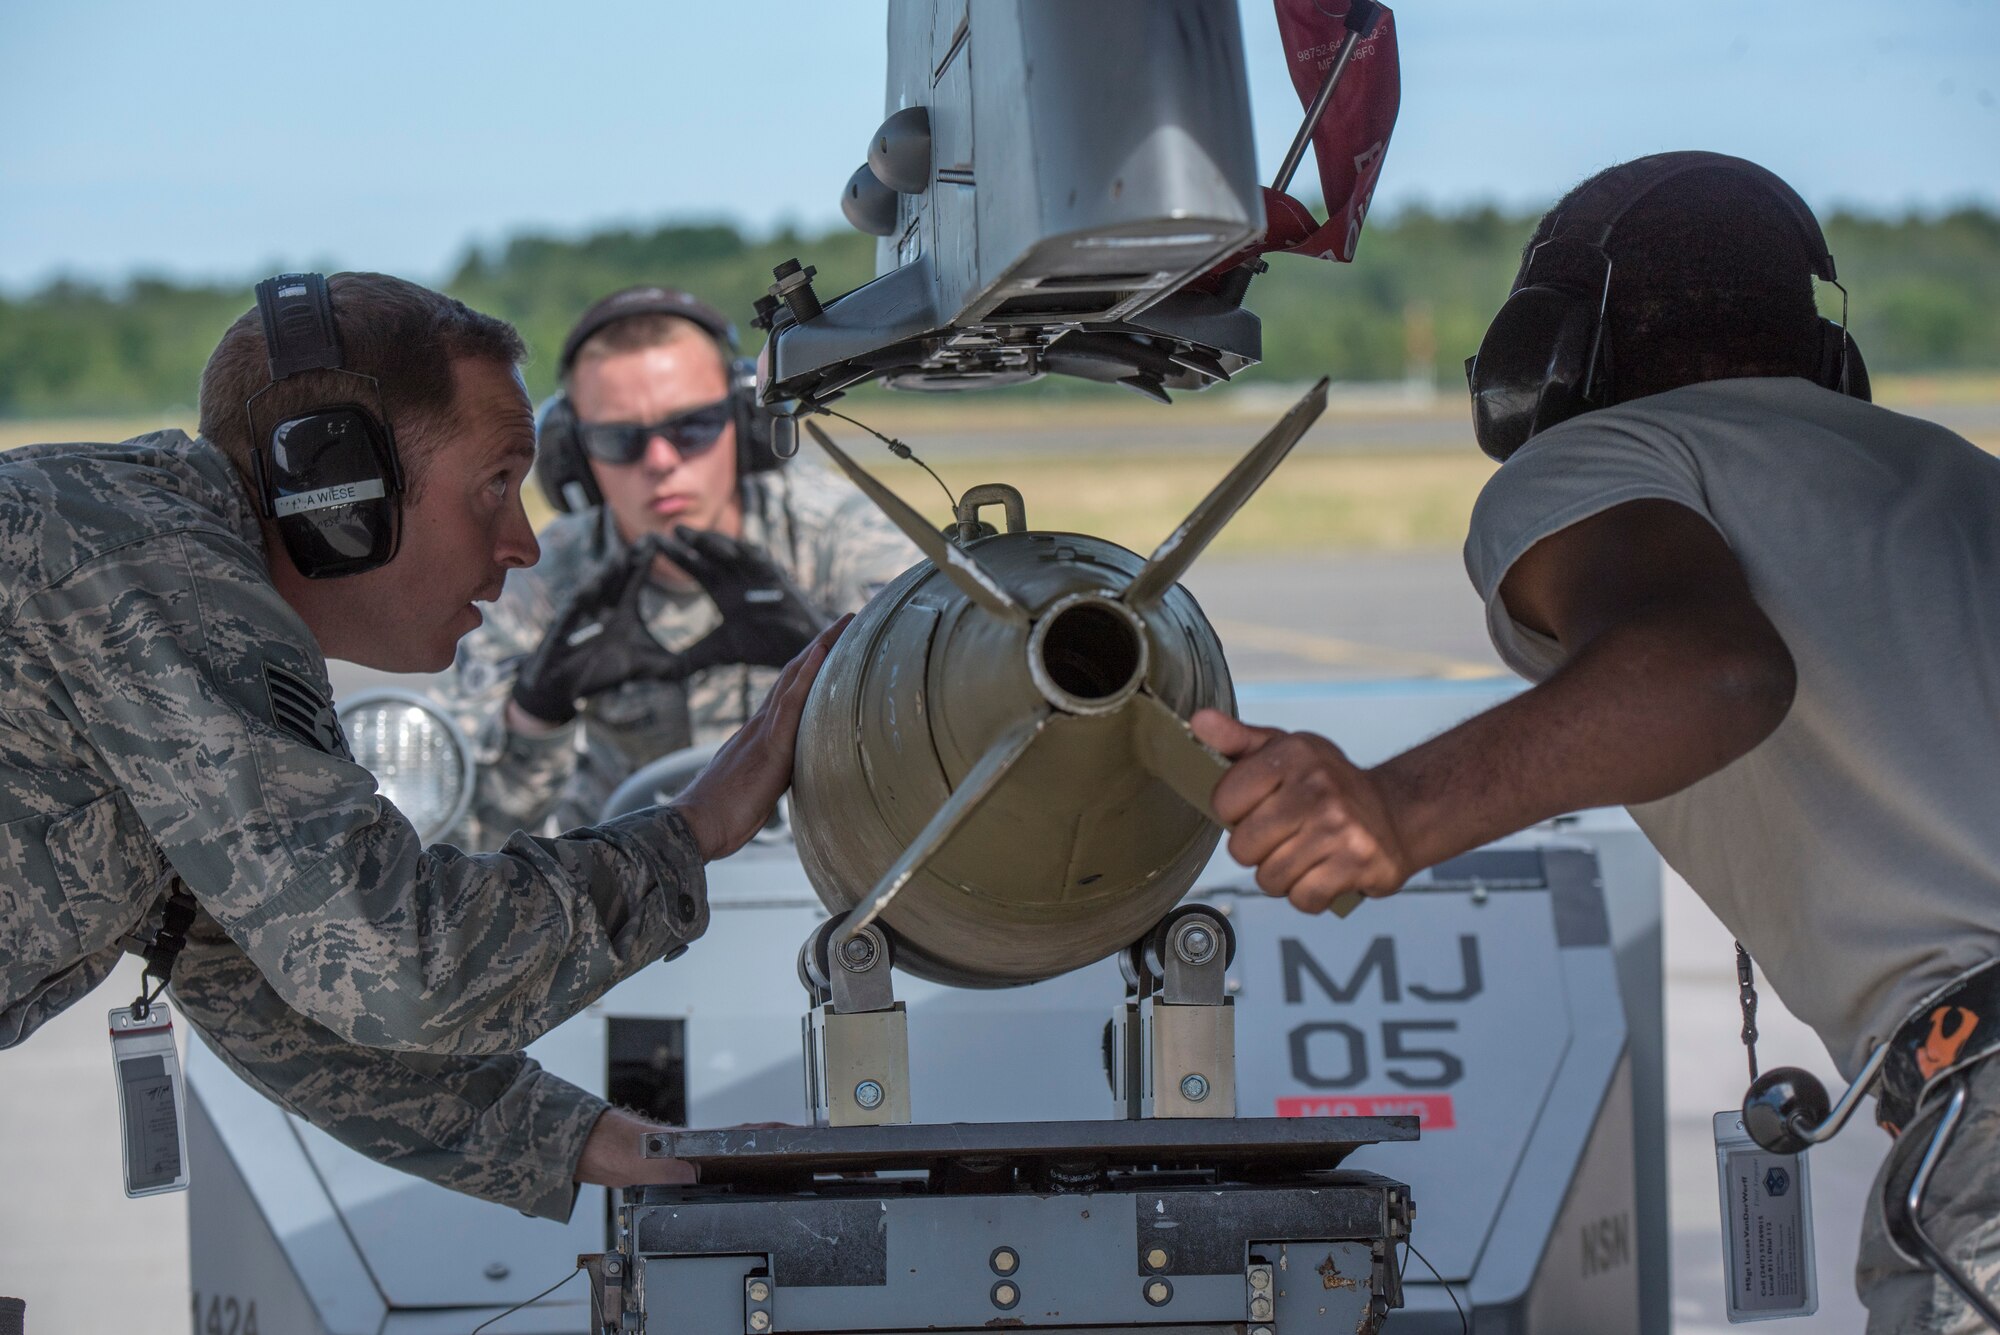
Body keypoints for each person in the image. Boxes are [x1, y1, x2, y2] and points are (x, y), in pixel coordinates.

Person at [1191, 152, 2000, 1330]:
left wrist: (1395, 810)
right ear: (1827, 352)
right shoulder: (1955, 482)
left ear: (1547, 356)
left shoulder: (1596, 461)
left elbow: (1712, 669)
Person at [0, 271, 841, 1220]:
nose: (523, 543)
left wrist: (634, 1150)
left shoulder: (161, 592)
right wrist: (693, 827)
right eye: (494, 485)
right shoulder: (148, 574)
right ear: (335, 485)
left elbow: (271, 984)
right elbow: (395, 961)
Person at [432, 286, 918, 845]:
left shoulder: (842, 538)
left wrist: (840, 676)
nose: (661, 462)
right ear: (577, 456)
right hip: (616, 892)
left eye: (692, 426)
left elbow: (941, 761)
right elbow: (461, 844)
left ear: (746, 419)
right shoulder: (539, 583)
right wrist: (534, 717)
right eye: (620, 439)